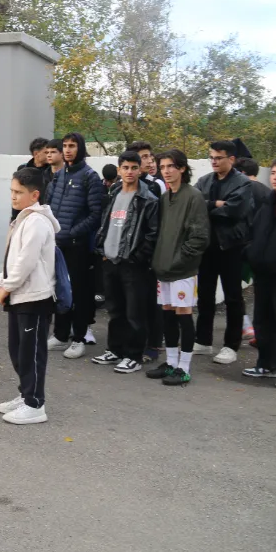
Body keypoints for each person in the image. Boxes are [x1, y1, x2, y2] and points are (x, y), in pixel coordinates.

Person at [0, 167, 59, 424]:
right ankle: (25, 393)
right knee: (18, 350)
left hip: (35, 298)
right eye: (12, 191)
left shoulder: (37, 222)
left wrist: (6, 287)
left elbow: (26, 261)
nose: (13, 196)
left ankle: (35, 404)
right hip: (19, 296)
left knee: (32, 353)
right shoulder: (22, 219)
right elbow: (12, 259)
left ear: (35, 195)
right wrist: (0, 282)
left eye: (19, 192)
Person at [90, 151, 159, 373]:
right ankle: (115, 350)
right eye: (125, 168)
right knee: (115, 310)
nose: (129, 172)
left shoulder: (148, 199)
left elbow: (153, 234)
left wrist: (137, 258)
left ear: (140, 170)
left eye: (134, 168)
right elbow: (106, 224)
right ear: (119, 170)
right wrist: (102, 251)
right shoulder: (114, 192)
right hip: (110, 261)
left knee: (134, 313)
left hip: (132, 265)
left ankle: (134, 356)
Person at [147, 149, 210, 386]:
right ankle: (171, 362)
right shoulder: (165, 197)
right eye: (163, 167)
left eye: (171, 166)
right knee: (168, 316)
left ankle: (184, 367)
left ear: (182, 168)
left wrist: (179, 259)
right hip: (164, 268)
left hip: (182, 269)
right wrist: (161, 261)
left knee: (184, 316)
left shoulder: (194, 196)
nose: (166, 171)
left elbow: (200, 237)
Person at [193, 141, 255, 364]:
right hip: (207, 246)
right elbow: (195, 205)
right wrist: (216, 204)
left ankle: (231, 345)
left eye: (218, 158)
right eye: (211, 157)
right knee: (205, 296)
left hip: (231, 246)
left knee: (233, 298)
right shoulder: (204, 180)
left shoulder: (242, 183)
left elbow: (234, 211)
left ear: (231, 159)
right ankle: (203, 340)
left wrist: (211, 206)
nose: (214, 161)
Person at [45, 132, 103, 359]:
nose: (68, 150)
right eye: (65, 146)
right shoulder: (58, 176)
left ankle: (79, 338)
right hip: (57, 245)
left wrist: (72, 232)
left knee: (79, 293)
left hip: (78, 247)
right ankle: (60, 335)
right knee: (59, 290)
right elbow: (48, 206)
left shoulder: (90, 177)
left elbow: (96, 214)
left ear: (80, 148)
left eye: (72, 146)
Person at [125, 141, 165, 363]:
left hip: (148, 253)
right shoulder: (121, 187)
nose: (149, 161)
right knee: (132, 303)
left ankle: (153, 343)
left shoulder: (155, 186)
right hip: (127, 254)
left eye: (150, 156)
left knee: (152, 301)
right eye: (143, 157)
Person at [243, 160, 276, 380]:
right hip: (263, 272)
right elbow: (254, 232)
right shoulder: (268, 202)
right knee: (263, 319)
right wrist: (251, 252)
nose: (275, 177)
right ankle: (265, 363)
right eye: (273, 173)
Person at [234, 156, 273, 346]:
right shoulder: (267, 192)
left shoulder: (245, 189)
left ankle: (248, 327)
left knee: (236, 289)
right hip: (262, 253)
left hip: (246, 248)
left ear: (241, 173)